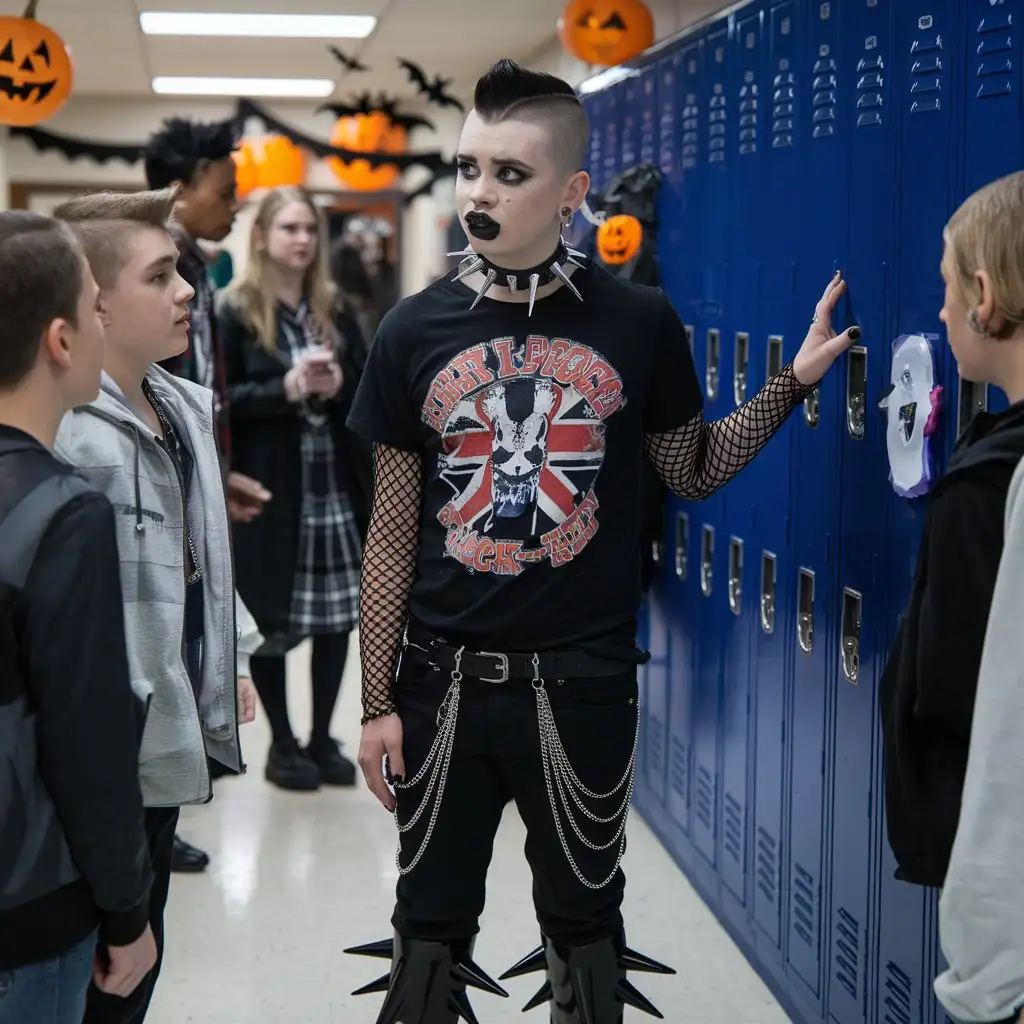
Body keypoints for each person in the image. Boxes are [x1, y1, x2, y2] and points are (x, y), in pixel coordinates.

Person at [344, 59, 860, 1022]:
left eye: (510, 173)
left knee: (585, 932)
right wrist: (376, 701)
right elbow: (391, 530)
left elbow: (691, 471)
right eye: (467, 169)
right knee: (426, 933)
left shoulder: (638, 320)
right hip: (440, 683)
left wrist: (789, 384)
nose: (478, 195)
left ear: (574, 193)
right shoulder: (412, 330)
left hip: (582, 684)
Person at [51, 188, 257, 1024]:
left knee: (142, 953)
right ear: (96, 302)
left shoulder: (177, 403)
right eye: (163, 275)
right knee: (102, 966)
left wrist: (229, 650)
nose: (187, 293)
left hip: (165, 735)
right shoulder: (67, 431)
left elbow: (197, 550)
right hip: (101, 754)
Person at [0, 211, 157, 1023]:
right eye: (98, 306)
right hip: (25, 914)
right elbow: (86, 743)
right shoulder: (63, 515)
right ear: (61, 340)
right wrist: (129, 911)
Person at [882, 171, 1024, 1024]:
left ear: (982, 294)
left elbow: (991, 721)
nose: (936, 314)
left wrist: (984, 981)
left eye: (944, 286)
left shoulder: (996, 481)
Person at [144, 115, 268, 872]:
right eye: (225, 190)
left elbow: (204, 390)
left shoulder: (197, 267)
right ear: (179, 190)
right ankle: (159, 806)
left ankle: (174, 799)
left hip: (198, 472)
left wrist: (218, 476)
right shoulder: (158, 271)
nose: (236, 203)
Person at [218, 186, 371, 791]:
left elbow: (368, 395)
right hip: (270, 486)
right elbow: (218, 405)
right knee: (273, 619)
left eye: (309, 228)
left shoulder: (336, 310)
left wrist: (338, 386)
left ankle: (319, 738)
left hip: (331, 483)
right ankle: (282, 744)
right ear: (261, 237)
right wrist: (283, 388)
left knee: (337, 618)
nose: (303, 239)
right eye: (288, 228)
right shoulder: (234, 312)